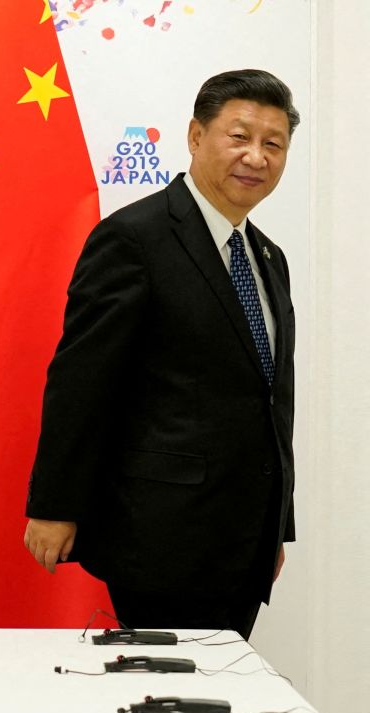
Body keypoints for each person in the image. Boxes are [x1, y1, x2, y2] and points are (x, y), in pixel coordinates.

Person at [23, 69, 299, 640]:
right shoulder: (134, 239)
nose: (256, 157)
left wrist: (277, 526)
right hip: (160, 532)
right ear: (196, 137)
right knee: (172, 683)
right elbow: (81, 382)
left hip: (245, 540)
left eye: (273, 144)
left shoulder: (269, 257)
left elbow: (271, 399)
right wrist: (54, 506)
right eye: (239, 136)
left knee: (226, 681)